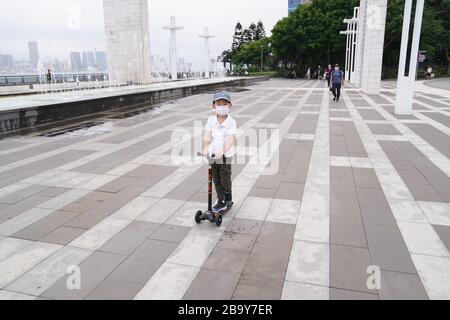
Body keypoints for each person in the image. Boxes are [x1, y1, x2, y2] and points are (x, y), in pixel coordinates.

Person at [202, 91, 237, 213]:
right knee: (215, 178)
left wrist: (222, 151)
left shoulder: (231, 122)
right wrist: (206, 148)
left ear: (229, 105)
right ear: (214, 106)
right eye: (219, 104)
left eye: (224, 104)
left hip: (226, 156)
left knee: (225, 177)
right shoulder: (211, 120)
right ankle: (221, 199)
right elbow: (207, 135)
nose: (221, 106)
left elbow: (231, 139)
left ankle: (227, 196)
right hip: (213, 155)